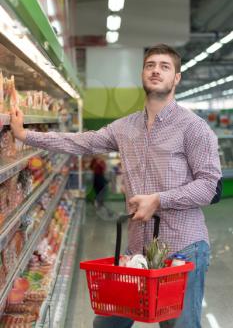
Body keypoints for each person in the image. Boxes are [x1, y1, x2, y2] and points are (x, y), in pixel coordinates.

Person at [10, 44, 222, 328]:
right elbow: (80, 142)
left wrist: (158, 200)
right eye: (150, 65)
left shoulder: (194, 128)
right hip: (137, 250)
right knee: (107, 324)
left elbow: (209, 186)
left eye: (165, 66)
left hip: (182, 249)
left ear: (177, 78)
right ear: (142, 73)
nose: (156, 70)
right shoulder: (125, 127)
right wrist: (25, 135)